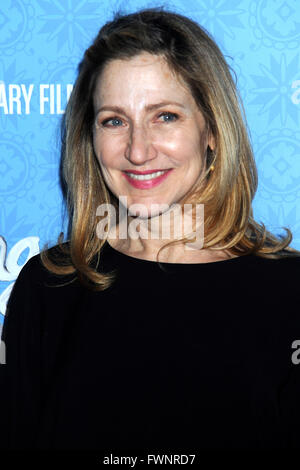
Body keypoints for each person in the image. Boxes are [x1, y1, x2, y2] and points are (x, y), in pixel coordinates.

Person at [0, 6, 300, 451]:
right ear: (91, 137)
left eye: (165, 116)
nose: (137, 151)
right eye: (114, 121)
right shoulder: (47, 288)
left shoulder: (290, 292)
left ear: (212, 129)